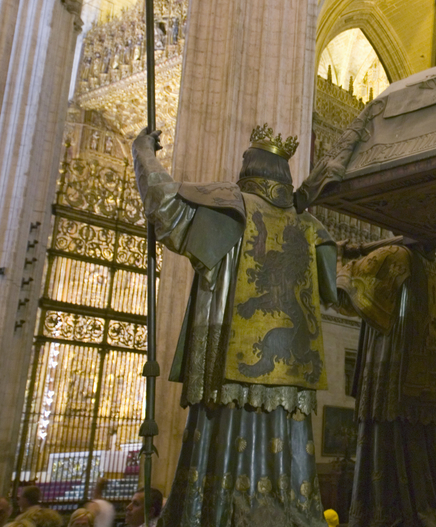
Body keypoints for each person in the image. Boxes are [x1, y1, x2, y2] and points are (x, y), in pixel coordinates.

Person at [132, 124, 337, 527]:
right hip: (290, 378)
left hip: (227, 365)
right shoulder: (311, 228)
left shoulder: (230, 207)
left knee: (219, 446)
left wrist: (143, 153)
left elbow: (163, 204)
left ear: (250, 166)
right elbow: (334, 289)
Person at [337, 239, 436, 527]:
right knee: (425, 448)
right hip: (424, 382)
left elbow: (345, 299)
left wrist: (339, 257)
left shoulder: (395, 255)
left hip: (391, 369)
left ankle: (388, 514)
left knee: (385, 440)